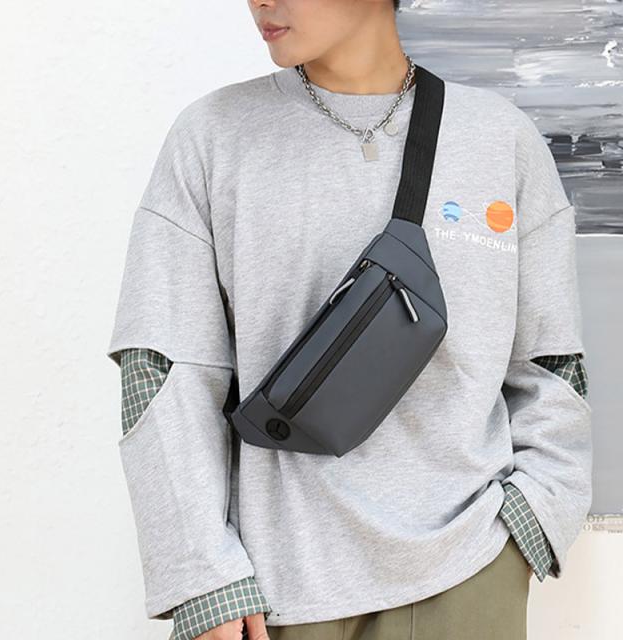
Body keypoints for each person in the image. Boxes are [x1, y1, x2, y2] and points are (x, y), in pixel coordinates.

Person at [106, 1, 592, 639]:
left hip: (469, 566)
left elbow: (552, 363)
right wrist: (201, 576)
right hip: (271, 591)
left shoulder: (500, 139)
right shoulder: (213, 137)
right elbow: (161, 366)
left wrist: (532, 522)